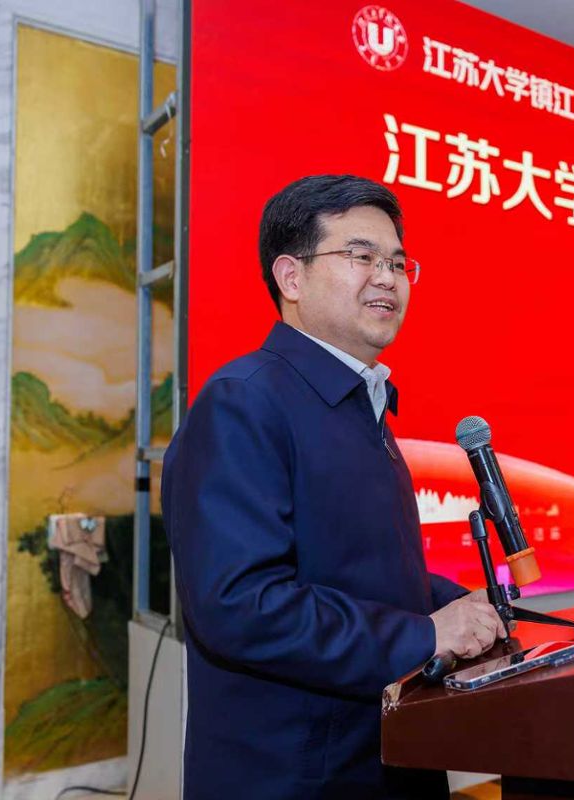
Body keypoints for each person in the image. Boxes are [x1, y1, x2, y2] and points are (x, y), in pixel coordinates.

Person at [162, 174, 506, 800]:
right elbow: (241, 605)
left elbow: (355, 570)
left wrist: (466, 608)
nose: (387, 278)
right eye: (360, 256)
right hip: (292, 777)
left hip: (387, 754)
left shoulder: (359, 402)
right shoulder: (244, 402)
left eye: (397, 263)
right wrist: (427, 634)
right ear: (291, 278)